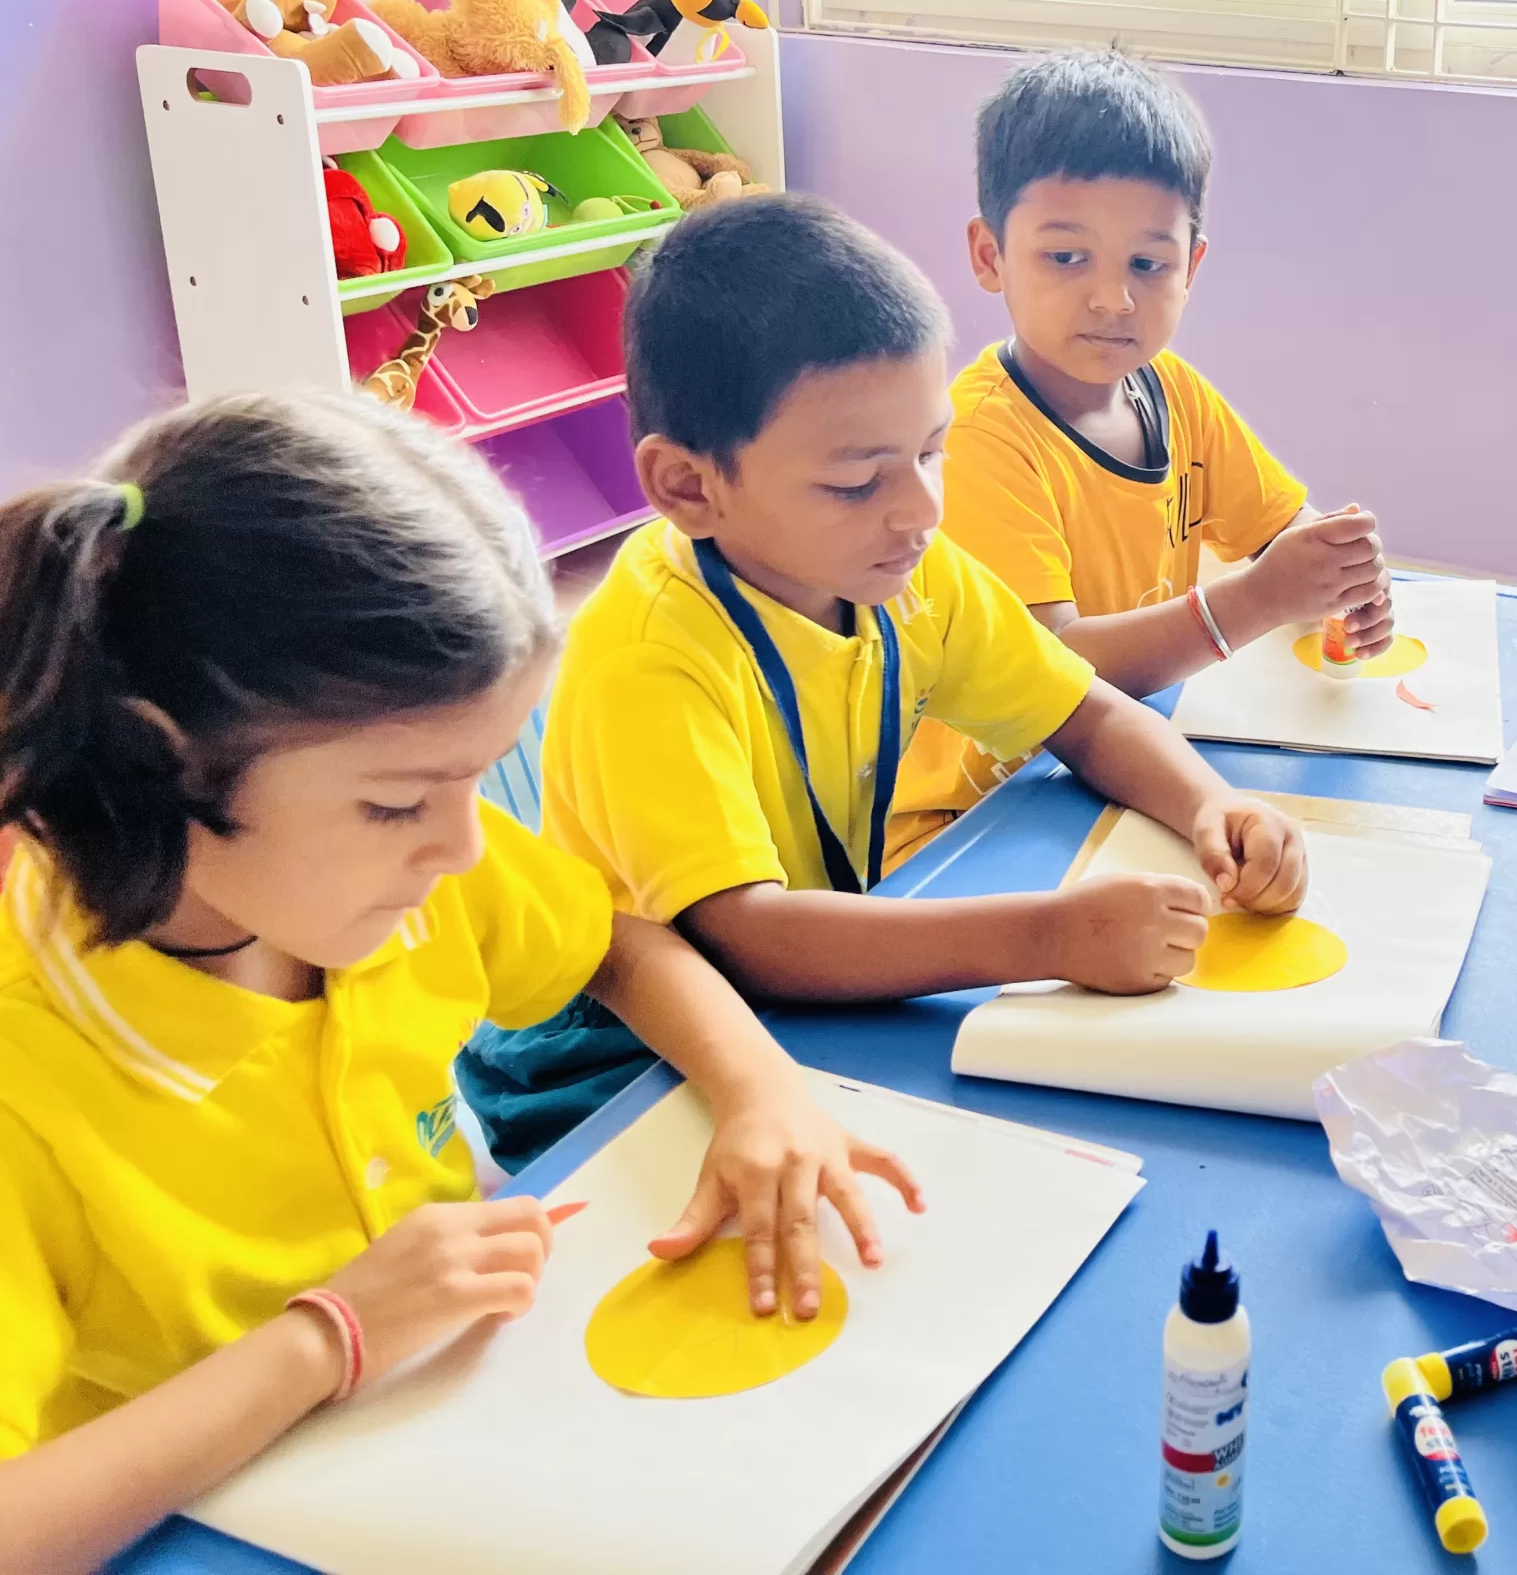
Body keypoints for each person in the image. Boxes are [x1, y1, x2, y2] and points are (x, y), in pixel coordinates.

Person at [0, 393, 921, 1567]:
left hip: (460, 1434)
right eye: (396, 803)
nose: (464, 848)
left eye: (478, 782)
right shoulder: (26, 1075)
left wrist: (761, 1088)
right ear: (160, 758)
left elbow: (613, 945)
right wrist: (327, 1339)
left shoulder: (390, 884)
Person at [460, 195, 1307, 1168]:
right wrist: (1045, 939)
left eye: (930, 450)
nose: (917, 509)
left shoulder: (899, 568)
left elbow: (1083, 714)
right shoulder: (649, 658)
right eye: (858, 482)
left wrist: (1212, 807)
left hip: (808, 994)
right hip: (620, 1063)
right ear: (690, 487)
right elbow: (746, 936)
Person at [889, 49, 1393, 851]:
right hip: (976, 821)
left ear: (1191, 265)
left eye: (1148, 264)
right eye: (1065, 256)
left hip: (1122, 769)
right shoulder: (981, 436)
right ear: (990, 256)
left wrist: (1344, 577)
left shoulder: (1174, 393)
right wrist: (1258, 599)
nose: (1112, 298)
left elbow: (1283, 530)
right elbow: (1052, 674)